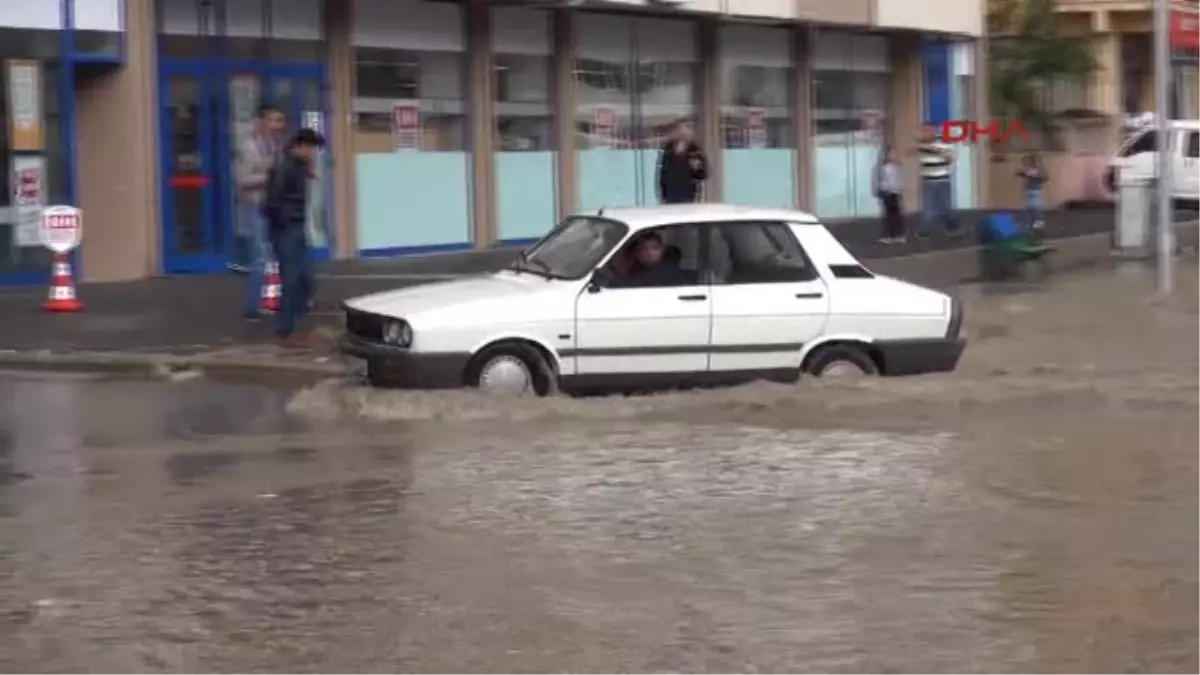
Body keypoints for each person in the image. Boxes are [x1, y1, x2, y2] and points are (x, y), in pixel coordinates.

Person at [262, 128, 324, 348]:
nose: (314, 153)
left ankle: (296, 324)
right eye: (312, 148)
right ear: (301, 147)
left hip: (297, 229)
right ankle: (285, 331)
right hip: (286, 231)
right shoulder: (284, 167)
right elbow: (272, 203)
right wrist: (283, 223)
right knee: (291, 280)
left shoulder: (300, 168)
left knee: (305, 279)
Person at [235, 104, 286, 321]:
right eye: (272, 120)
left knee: (274, 256)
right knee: (259, 259)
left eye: (280, 120)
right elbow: (242, 180)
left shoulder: (278, 147)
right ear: (261, 122)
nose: (276, 125)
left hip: (273, 206)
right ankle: (251, 309)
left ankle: (272, 302)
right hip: (255, 207)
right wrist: (268, 178)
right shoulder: (249, 147)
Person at [916, 124, 954, 238]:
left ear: (934, 131)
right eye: (923, 130)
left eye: (928, 130)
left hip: (942, 178)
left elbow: (951, 157)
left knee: (946, 204)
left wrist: (934, 149)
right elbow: (909, 151)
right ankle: (925, 230)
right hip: (927, 180)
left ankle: (952, 226)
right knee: (927, 206)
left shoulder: (943, 142)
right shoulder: (921, 144)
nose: (925, 133)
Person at [657, 120, 707, 204]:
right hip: (670, 195)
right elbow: (663, 172)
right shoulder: (668, 149)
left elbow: (702, 174)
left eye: (685, 129)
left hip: (688, 195)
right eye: (679, 129)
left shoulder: (694, 150)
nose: (681, 132)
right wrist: (662, 194)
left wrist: (697, 167)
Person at [874, 145, 905, 243]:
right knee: (892, 215)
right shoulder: (888, 167)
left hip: (892, 193)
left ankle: (894, 235)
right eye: (893, 153)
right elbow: (888, 182)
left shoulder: (892, 166)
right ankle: (894, 235)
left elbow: (894, 181)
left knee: (893, 215)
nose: (895, 155)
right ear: (887, 155)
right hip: (890, 193)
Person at [1018, 153, 1047, 230]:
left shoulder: (1040, 170)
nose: (1033, 163)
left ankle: (1039, 222)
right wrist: (1023, 175)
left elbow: (1043, 178)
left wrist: (1031, 177)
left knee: (1036, 207)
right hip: (1029, 189)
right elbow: (1025, 176)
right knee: (1029, 207)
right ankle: (1029, 222)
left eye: (1035, 161)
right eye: (1032, 161)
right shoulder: (1028, 169)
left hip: (1037, 190)